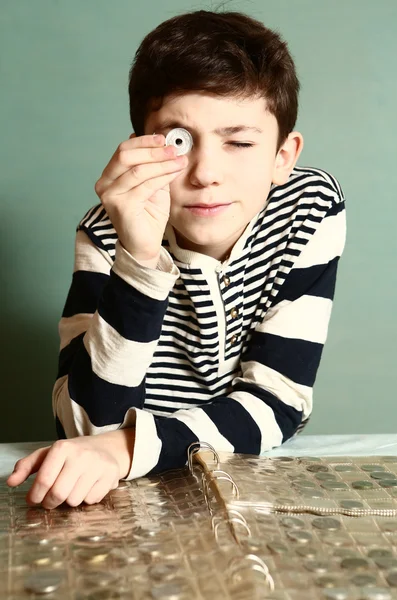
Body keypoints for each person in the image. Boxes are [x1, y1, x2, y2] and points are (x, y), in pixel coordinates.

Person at [7, 9, 346, 509]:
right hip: (122, 495)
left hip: (238, 479)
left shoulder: (309, 209)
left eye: (240, 142)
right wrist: (138, 259)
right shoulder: (106, 229)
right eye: (178, 142)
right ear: (138, 146)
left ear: (283, 156)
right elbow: (84, 426)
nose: (206, 172)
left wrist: (126, 447)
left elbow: (278, 402)